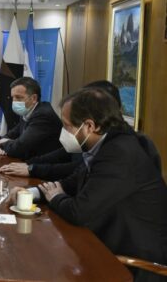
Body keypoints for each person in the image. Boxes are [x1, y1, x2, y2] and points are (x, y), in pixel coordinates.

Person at [11, 88, 167, 282]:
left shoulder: (120, 153)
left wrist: (55, 197)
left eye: (67, 126)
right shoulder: (105, 145)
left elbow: (79, 212)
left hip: (133, 265)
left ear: (89, 126)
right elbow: (72, 182)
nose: (64, 133)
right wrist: (31, 193)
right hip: (104, 246)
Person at [0, 80, 122, 180]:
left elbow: (76, 169)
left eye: (68, 126)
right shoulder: (93, 134)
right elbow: (64, 154)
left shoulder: (116, 147)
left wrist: (31, 168)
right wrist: (29, 164)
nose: (66, 130)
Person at [0, 77, 62, 160]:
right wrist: (4, 144)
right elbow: (11, 135)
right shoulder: (27, 111)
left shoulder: (43, 115)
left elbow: (21, 146)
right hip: (31, 162)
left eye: (19, 97)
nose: (14, 101)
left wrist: (4, 145)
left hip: (46, 167)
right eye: (13, 97)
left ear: (33, 98)